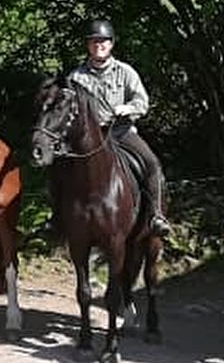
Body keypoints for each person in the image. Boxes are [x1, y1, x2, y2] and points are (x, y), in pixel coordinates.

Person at [62, 20, 171, 236]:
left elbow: (142, 101)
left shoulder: (125, 72)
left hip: (121, 133)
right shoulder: (75, 77)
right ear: (88, 45)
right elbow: (66, 110)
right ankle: (57, 218)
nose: (98, 45)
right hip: (89, 139)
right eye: (94, 41)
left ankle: (156, 215)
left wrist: (127, 108)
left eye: (103, 41)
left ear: (111, 44)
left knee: (151, 163)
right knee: (60, 166)